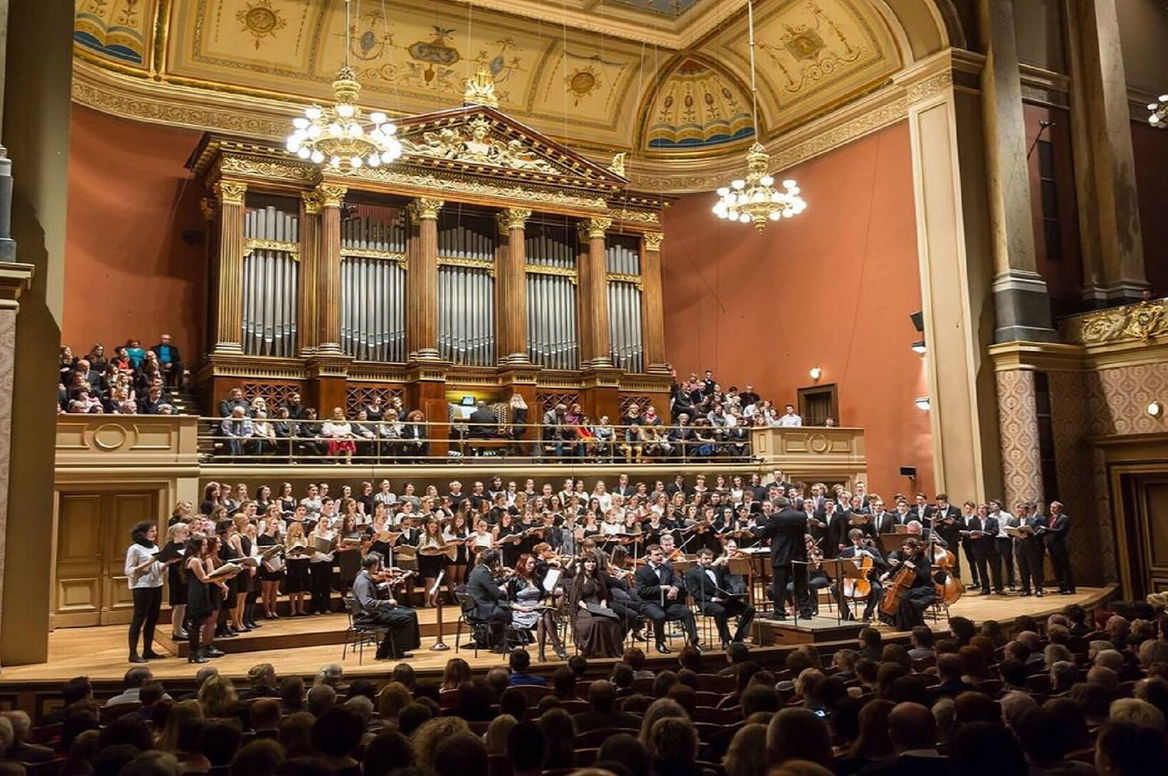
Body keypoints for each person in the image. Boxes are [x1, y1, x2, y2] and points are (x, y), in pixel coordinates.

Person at [352, 552, 420, 660]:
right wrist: (387, 602)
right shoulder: (363, 581)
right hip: (367, 616)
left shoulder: (365, 577)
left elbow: (373, 592)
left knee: (409, 613)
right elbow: (367, 603)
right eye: (378, 564)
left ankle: (385, 651)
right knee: (405, 620)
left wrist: (386, 586)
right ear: (374, 565)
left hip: (373, 612)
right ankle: (394, 651)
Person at [685, 548, 754, 649]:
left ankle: (738, 639)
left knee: (749, 609)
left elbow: (726, 584)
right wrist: (713, 599)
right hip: (706, 602)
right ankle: (725, 640)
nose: (708, 561)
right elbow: (695, 593)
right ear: (697, 558)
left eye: (710, 559)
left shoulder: (716, 569)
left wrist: (729, 593)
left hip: (723, 599)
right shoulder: (691, 573)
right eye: (705, 558)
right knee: (720, 611)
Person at [753, 496, 810, 619]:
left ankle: (779, 613)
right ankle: (806, 612)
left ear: (776, 507)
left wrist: (753, 528)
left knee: (780, 586)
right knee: (801, 585)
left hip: (781, 556)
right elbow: (805, 531)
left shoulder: (775, 517)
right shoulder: (801, 515)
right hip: (799, 555)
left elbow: (764, 534)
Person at [635, 544, 698, 654]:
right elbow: (641, 591)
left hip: (668, 603)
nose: (660, 556)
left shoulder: (667, 568)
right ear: (648, 556)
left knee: (687, 612)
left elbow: (677, 581)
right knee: (659, 616)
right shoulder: (641, 572)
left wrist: (675, 588)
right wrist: (660, 588)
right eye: (656, 555)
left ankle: (694, 642)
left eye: (661, 554)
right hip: (650, 603)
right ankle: (660, 643)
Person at [124, 520, 168, 663]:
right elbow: (129, 570)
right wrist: (150, 561)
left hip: (156, 585)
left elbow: (158, 569)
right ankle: (133, 653)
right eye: (152, 531)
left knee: (153, 618)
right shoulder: (134, 549)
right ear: (142, 534)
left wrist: (167, 562)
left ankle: (148, 650)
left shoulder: (155, 547)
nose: (155, 534)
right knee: (139, 619)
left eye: (155, 531)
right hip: (142, 586)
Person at [570, 551, 625, 658]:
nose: (591, 564)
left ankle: (610, 650)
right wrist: (587, 607)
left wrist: (603, 604)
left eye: (593, 561)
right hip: (584, 608)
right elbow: (577, 599)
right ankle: (593, 651)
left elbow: (603, 595)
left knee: (612, 621)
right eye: (588, 562)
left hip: (598, 606)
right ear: (583, 564)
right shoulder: (578, 579)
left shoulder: (599, 577)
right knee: (596, 622)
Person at [880, 539, 936, 630]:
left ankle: (907, 625)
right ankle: (893, 620)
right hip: (912, 587)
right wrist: (887, 574)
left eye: (907, 549)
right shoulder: (909, 558)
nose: (905, 551)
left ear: (915, 549)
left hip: (924, 587)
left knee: (904, 597)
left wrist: (913, 567)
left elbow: (926, 576)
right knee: (887, 593)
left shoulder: (924, 560)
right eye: (904, 549)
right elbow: (899, 566)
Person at [467, 549, 512, 650]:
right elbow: (496, 593)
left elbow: (489, 585)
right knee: (507, 613)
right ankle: (499, 644)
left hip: (477, 606)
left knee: (504, 610)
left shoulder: (478, 569)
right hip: (483, 609)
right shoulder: (483, 572)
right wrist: (508, 594)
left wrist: (504, 579)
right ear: (494, 562)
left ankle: (495, 641)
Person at [1045, 501, 1075, 594]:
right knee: (1056, 568)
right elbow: (1048, 535)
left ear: (1059, 509)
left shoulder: (1064, 518)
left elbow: (1061, 531)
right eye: (1051, 507)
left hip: (1061, 546)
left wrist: (1047, 529)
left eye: (1054, 507)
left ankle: (1070, 588)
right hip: (1052, 546)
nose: (1052, 509)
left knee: (1065, 568)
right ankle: (1062, 587)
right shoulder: (1051, 519)